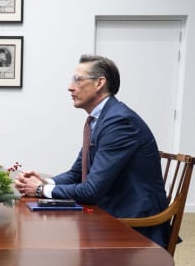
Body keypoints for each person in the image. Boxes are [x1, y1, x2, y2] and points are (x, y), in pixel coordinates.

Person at [14, 54, 170, 247]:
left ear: (99, 83)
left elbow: (91, 190)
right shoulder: (101, 119)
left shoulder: (119, 122)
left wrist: (39, 189)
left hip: (133, 221)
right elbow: (77, 173)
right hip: (110, 208)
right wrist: (46, 182)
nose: (70, 87)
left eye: (78, 79)